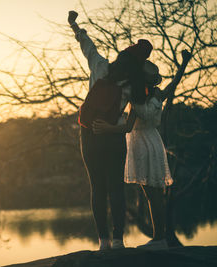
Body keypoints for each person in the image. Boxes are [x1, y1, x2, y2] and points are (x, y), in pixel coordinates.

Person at [93, 49, 192, 250]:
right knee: (155, 192)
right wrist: (184, 63)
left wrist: (107, 128)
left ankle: (159, 239)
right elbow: (175, 82)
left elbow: (128, 128)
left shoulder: (136, 98)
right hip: (155, 142)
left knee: (151, 194)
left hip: (141, 145)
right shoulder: (157, 94)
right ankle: (160, 237)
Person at [68, 10, 151, 250]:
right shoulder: (134, 86)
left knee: (98, 188)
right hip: (114, 135)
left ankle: (103, 241)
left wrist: (74, 25)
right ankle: (118, 240)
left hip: (90, 133)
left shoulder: (101, 67)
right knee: (116, 187)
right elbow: (146, 100)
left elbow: (88, 46)